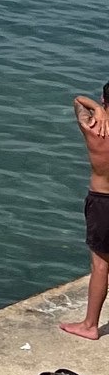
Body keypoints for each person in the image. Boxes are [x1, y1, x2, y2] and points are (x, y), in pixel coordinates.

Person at [64, 88, 109, 339]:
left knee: (101, 263)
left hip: (102, 201)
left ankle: (91, 325)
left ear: (104, 100)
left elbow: (78, 100)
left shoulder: (92, 126)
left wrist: (98, 108)